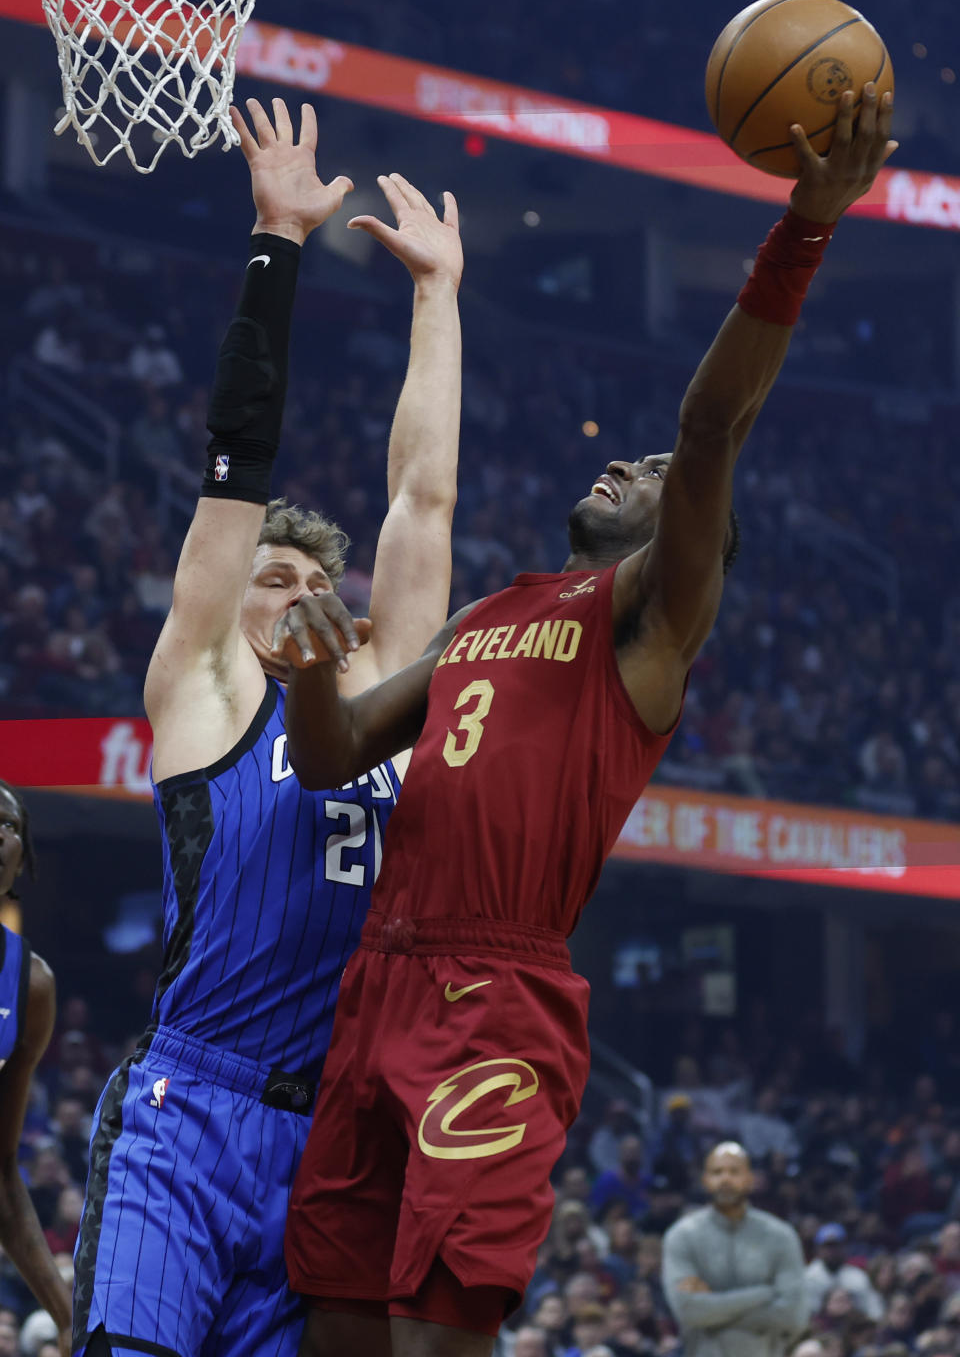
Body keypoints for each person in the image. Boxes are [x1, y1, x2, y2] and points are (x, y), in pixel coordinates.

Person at [280, 85, 895, 1354]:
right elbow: (333, 754)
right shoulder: (490, 615)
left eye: (658, 481)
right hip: (379, 982)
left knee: (442, 1325)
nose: (628, 466)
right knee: (335, 1316)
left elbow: (711, 421)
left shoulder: (650, 620)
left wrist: (805, 229)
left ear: (694, 542)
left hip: (494, 991)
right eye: (634, 466)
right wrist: (304, 669)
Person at [71, 98, 464, 1357]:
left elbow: (425, 494)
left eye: (317, 582)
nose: (302, 594)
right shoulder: (205, 690)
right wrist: (277, 247)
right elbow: (236, 462)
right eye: (275, 580)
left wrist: (438, 298)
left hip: (328, 1145)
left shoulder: (381, 706)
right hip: (192, 1105)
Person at [0, 781, 73, 1357]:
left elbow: (2, 1174)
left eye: (10, 827)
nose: (0, 837)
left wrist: (65, 1313)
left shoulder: (32, 985)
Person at [662, 1143, 808, 1356]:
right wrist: (762, 1294)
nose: (725, 1179)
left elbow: (794, 1316)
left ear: (750, 1179)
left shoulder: (780, 1236)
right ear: (705, 1180)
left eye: (734, 1171)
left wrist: (713, 1317)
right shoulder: (682, 1236)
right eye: (717, 1172)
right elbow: (688, 1309)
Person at [804, 1224, 884, 1322]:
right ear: (818, 1249)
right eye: (828, 1246)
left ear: (844, 1247)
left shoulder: (858, 1276)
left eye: (836, 1246)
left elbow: (874, 1311)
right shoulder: (808, 1276)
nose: (832, 1251)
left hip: (852, 1329)